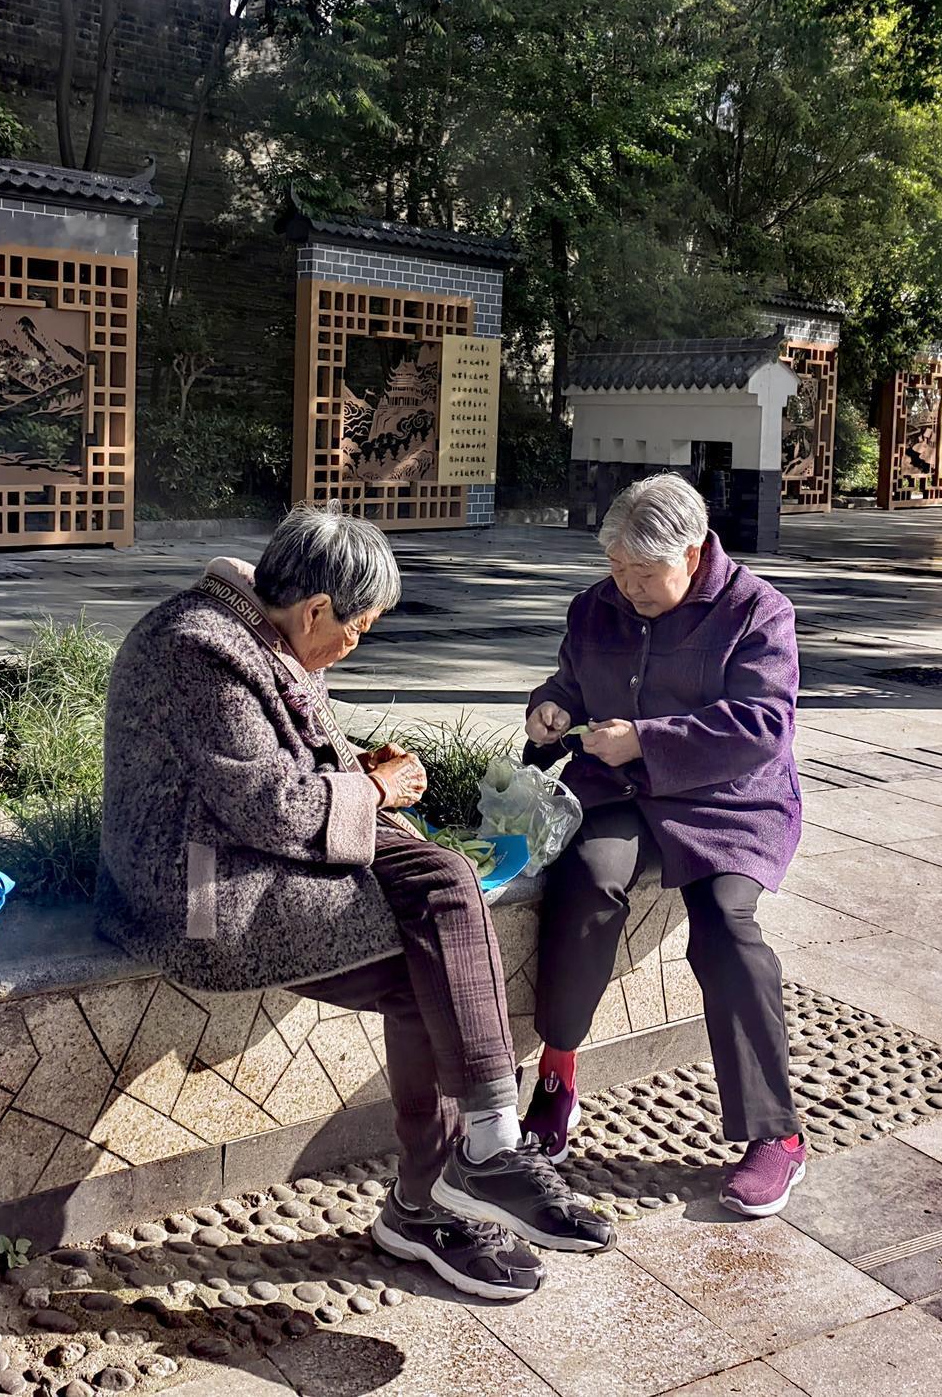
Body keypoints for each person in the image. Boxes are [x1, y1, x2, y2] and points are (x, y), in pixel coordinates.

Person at [96, 505, 612, 1302]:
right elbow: (267, 803)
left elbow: (289, 761)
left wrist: (357, 769)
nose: (353, 644)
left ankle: (453, 1178)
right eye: (358, 628)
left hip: (255, 858)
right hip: (197, 890)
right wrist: (370, 787)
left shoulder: (256, 628)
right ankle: (457, 1176)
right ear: (313, 610)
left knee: (441, 912)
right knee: (435, 936)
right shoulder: (198, 649)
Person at [521, 474, 805, 1218]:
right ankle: (556, 1075)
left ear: (692, 551)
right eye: (618, 570)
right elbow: (571, 684)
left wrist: (646, 738)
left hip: (725, 802)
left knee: (726, 930)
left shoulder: (757, 611)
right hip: (619, 791)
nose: (627, 588)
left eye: (644, 577)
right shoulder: (594, 607)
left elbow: (763, 726)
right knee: (587, 879)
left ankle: (776, 1135)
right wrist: (552, 709)